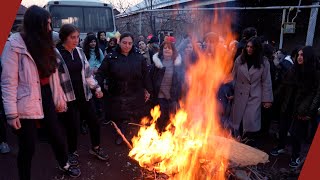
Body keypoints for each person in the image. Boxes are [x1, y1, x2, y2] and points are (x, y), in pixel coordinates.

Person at [1, 6, 81, 179]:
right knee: (28, 145)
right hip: (25, 99)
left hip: (45, 95)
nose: (50, 28)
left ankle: (64, 163)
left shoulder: (47, 44)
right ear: (36, 25)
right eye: (47, 24)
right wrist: (11, 113)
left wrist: (59, 97)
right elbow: (8, 82)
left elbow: (54, 77)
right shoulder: (14, 45)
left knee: (56, 134)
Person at [56, 24, 109, 166]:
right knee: (71, 127)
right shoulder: (56, 54)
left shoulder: (79, 52)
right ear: (63, 38)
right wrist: (58, 99)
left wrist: (96, 88)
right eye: (72, 37)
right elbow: (54, 81)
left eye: (78, 37)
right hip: (68, 97)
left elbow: (87, 74)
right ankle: (72, 152)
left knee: (94, 121)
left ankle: (96, 148)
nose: (76, 40)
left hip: (84, 95)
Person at [95, 32, 153, 145]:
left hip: (135, 92)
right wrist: (98, 86)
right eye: (124, 43)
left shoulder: (138, 57)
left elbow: (145, 75)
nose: (127, 46)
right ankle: (121, 135)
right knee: (120, 116)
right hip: (117, 93)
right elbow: (101, 73)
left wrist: (148, 90)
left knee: (135, 116)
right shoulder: (111, 57)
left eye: (130, 43)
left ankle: (136, 136)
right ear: (119, 42)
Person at [270, 46, 320, 168]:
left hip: (302, 107)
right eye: (298, 55)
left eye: (302, 55)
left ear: (308, 57)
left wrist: (309, 111)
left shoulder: (315, 73)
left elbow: (316, 94)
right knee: (283, 128)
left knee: (296, 133)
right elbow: (283, 85)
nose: (299, 57)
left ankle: (295, 156)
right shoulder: (293, 69)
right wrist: (273, 98)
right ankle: (281, 146)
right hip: (288, 104)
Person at [231, 37, 273, 147]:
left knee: (251, 121)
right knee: (238, 121)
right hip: (239, 94)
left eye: (252, 47)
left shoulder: (264, 62)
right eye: (248, 47)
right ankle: (238, 144)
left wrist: (267, 99)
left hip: (254, 95)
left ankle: (249, 145)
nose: (249, 49)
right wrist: (230, 91)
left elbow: (266, 81)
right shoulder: (239, 60)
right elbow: (233, 77)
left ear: (257, 49)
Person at [150, 41, 184, 132]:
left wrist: (179, 96)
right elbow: (151, 79)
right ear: (161, 50)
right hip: (159, 97)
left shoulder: (178, 65)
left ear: (173, 51)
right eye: (165, 48)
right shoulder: (156, 65)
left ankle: (171, 139)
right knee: (160, 119)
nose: (167, 49)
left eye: (169, 48)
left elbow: (181, 82)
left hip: (172, 98)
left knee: (172, 119)